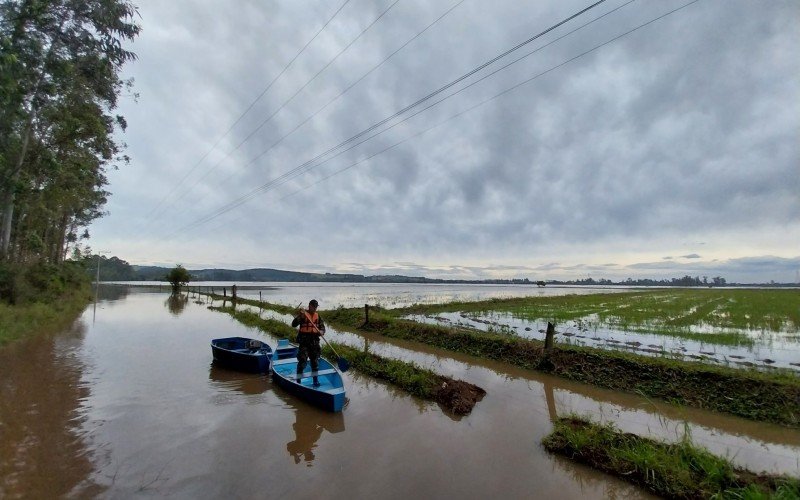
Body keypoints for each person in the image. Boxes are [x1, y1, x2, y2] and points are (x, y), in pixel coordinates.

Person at [291, 299, 326, 386]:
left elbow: (323, 328)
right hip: (304, 342)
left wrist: (321, 331)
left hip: (314, 342)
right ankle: (298, 380)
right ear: (309, 306)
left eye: (316, 307)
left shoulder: (318, 316)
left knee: (315, 362)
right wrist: (300, 317)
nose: (314, 308)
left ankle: (315, 381)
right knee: (302, 360)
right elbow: (293, 324)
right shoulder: (303, 315)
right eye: (313, 306)